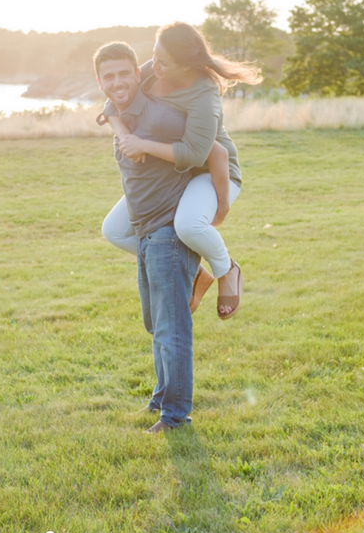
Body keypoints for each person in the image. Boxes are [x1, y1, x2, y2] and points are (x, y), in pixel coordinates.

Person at [101, 22, 261, 318]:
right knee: (113, 231)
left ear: (186, 66)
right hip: (171, 174)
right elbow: (114, 101)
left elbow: (197, 153)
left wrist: (144, 145)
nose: (154, 65)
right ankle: (197, 273)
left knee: (189, 226)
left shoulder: (204, 94)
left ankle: (227, 269)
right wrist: (125, 136)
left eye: (163, 62)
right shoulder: (155, 67)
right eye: (154, 56)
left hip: (207, 172)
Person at [94, 41, 204, 433]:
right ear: (100, 82)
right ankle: (161, 396)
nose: (118, 81)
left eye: (125, 73)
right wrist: (115, 118)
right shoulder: (119, 113)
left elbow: (198, 150)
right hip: (144, 233)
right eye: (110, 76)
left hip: (168, 234)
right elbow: (113, 109)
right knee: (155, 324)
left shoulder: (160, 117)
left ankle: (175, 416)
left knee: (172, 328)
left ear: (138, 74)